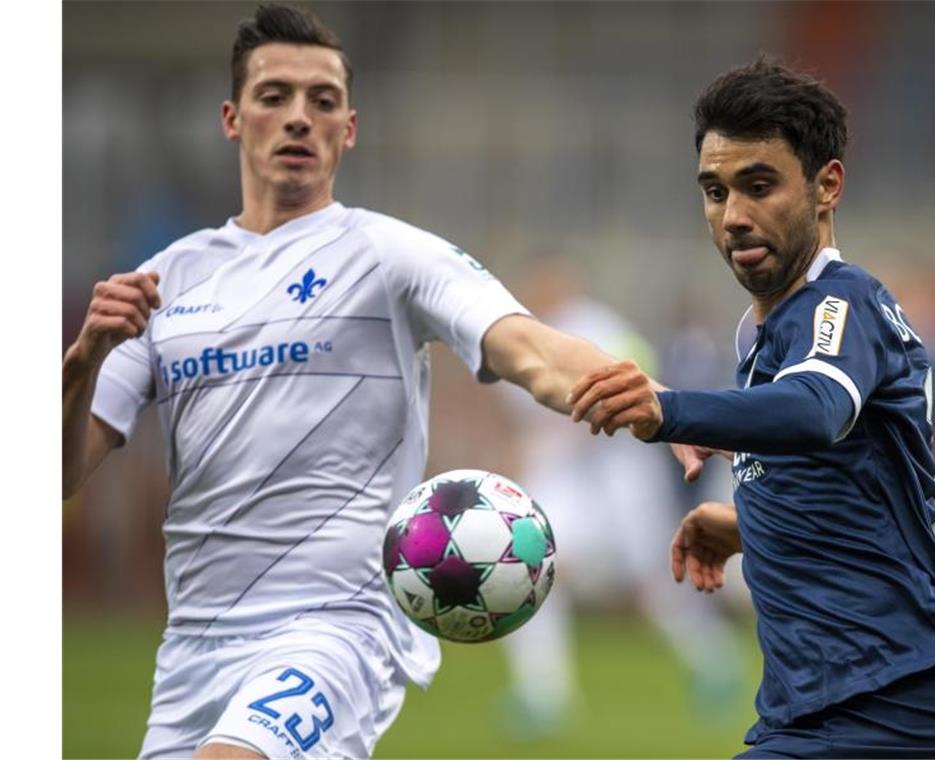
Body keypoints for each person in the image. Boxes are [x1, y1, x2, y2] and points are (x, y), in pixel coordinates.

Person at [61, 5, 699, 759]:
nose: (299, 116)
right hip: (193, 651)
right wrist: (84, 359)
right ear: (234, 118)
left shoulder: (390, 256)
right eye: (275, 96)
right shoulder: (164, 281)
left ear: (349, 127)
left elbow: (531, 349)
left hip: (335, 631)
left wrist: (666, 406)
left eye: (322, 100)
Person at [567, 55, 935, 758]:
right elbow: (849, 473)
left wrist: (664, 408)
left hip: (917, 706)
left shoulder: (841, 300)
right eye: (715, 191)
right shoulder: (768, 334)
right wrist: (753, 525)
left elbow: (814, 411)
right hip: (829, 712)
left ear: (827, 185)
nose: (733, 216)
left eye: (759, 185)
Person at [493, 257, 745, 737]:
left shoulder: (596, 326)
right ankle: (542, 694)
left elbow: (641, 379)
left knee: (658, 583)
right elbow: (526, 426)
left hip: (621, 474)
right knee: (531, 571)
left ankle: (717, 667)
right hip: (565, 482)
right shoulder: (525, 339)